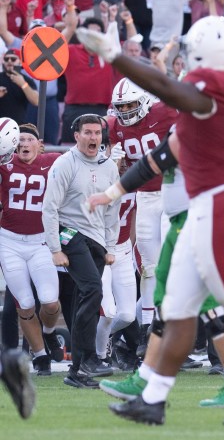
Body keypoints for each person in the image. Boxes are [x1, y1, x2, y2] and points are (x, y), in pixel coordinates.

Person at [77, 16, 224, 426]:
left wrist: (116, 57)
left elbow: (166, 87)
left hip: (220, 206)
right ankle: (153, 399)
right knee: (175, 309)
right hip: (204, 210)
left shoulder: (216, 92)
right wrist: (113, 193)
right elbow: (164, 154)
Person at [89, 131, 224, 409]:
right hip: (183, 221)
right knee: (169, 301)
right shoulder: (193, 128)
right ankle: (148, 380)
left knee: (204, 303)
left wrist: (110, 193)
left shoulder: (198, 132)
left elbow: (150, 165)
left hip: (195, 222)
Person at [41, 114, 119, 388]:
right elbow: (50, 207)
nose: (93, 138)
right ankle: (87, 359)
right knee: (93, 290)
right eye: (87, 132)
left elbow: (112, 209)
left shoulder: (109, 166)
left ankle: (77, 371)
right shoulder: (65, 164)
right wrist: (54, 248)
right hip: (69, 232)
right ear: (76, 136)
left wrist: (110, 246)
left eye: (97, 133)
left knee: (83, 297)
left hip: (96, 238)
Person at [107, 78, 177, 336]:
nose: (125, 112)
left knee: (172, 263)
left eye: (130, 105)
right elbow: (115, 172)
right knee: (150, 267)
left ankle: (162, 327)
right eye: (121, 107)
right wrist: (113, 162)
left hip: (174, 192)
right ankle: (149, 330)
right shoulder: (115, 126)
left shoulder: (166, 112)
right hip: (145, 197)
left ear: (146, 101)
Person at [0, 121, 61, 375]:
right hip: (10, 241)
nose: (24, 144)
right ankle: (40, 356)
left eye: (29, 139)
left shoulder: (55, 161)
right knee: (24, 304)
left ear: (41, 144)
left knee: (49, 301)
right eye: (20, 140)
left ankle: (48, 332)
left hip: (42, 241)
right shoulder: (4, 164)